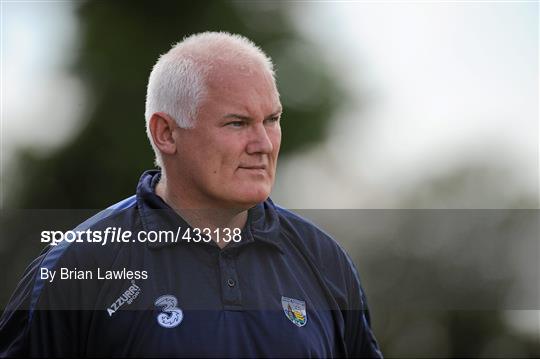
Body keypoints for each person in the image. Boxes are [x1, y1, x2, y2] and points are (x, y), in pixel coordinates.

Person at [0, 32, 382, 358]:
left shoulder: (324, 262)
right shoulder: (82, 264)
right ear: (166, 133)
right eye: (237, 123)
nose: (263, 143)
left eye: (272, 119)